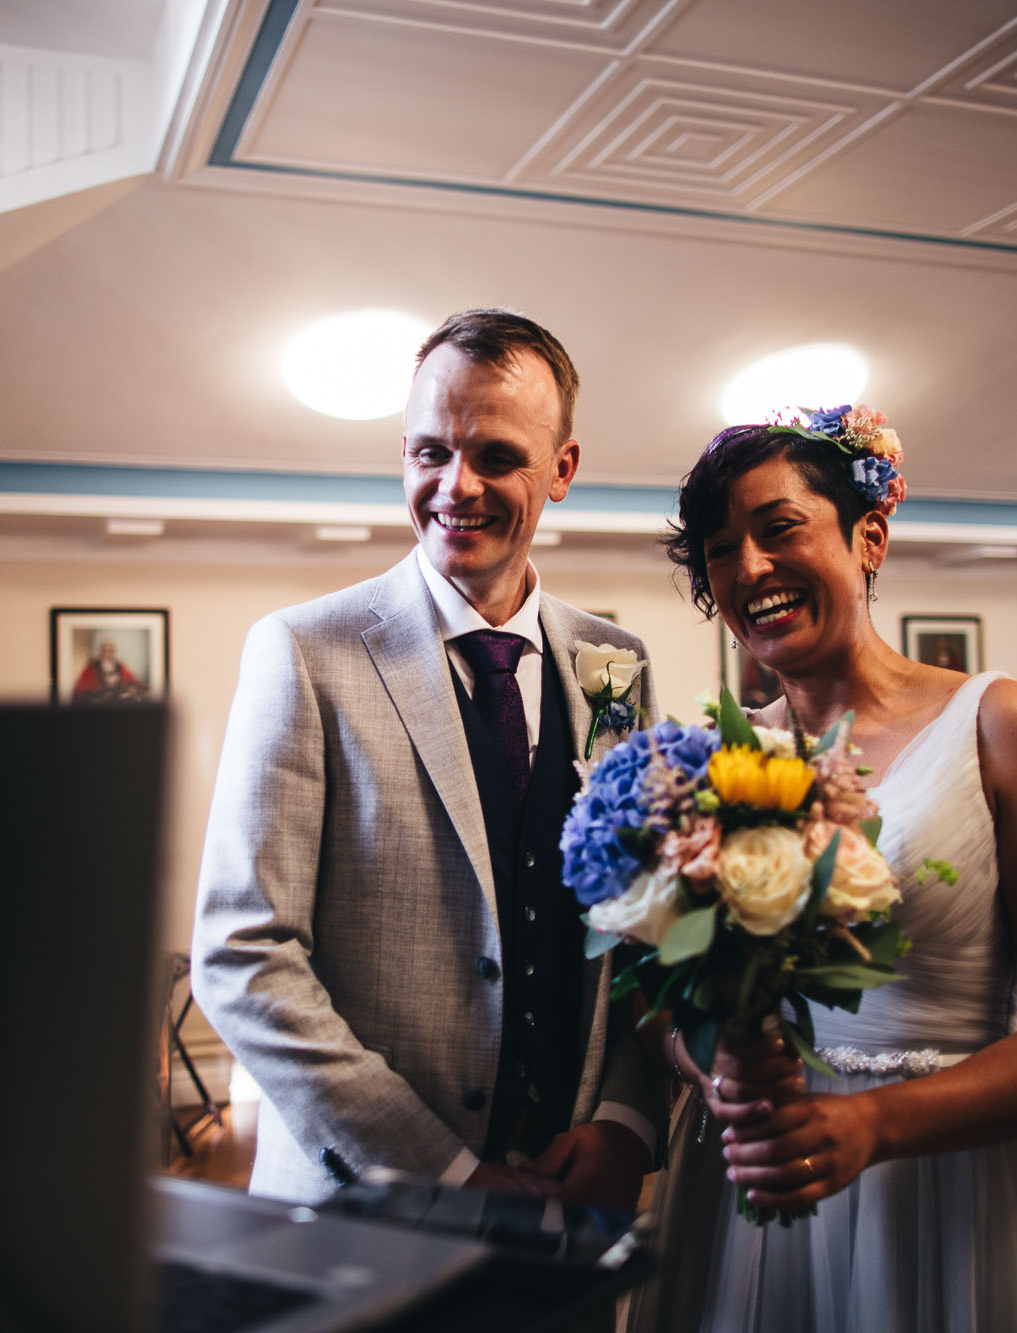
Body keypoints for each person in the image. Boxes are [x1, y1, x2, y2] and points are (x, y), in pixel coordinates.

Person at [634, 410, 1017, 1332]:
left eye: (779, 528)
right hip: (751, 1190)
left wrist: (872, 1125)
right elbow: (668, 1001)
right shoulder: (712, 760)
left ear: (868, 534)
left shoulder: (1007, 730)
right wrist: (705, 1060)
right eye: (720, 550)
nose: (750, 567)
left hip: (955, 1191)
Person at [191, 310, 666, 1207]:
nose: (457, 486)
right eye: (430, 452)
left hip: (572, 1196)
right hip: (365, 1207)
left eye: (496, 456)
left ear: (562, 468)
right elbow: (243, 955)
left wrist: (624, 1121)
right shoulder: (303, 651)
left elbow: (646, 927)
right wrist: (446, 1171)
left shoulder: (618, 663)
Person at [73, 637, 143, 702]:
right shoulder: (92, 667)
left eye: (110, 651)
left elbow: (134, 683)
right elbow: (80, 690)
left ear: (114, 652)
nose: (107, 654)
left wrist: (131, 689)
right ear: (100, 652)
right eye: (104, 651)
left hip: (117, 701)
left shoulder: (120, 666)